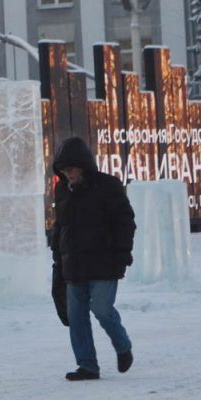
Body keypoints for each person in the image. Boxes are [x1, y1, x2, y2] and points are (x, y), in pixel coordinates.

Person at [49, 136, 136, 381]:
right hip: (73, 264)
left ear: (84, 165)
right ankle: (87, 365)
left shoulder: (108, 186)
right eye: (64, 171)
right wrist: (58, 257)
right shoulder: (62, 190)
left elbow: (125, 222)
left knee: (101, 308)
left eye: (72, 169)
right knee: (76, 318)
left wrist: (123, 253)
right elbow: (61, 227)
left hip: (104, 262)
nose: (68, 174)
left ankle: (122, 346)